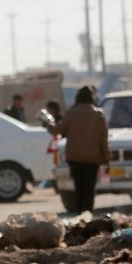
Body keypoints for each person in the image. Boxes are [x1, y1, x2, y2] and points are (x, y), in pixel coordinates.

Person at [47, 85, 109, 214]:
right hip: (93, 159)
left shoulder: (71, 113)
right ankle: (88, 214)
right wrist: (107, 159)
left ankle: (79, 214)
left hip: (74, 158)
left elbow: (58, 130)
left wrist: (47, 123)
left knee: (79, 188)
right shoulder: (98, 115)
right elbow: (103, 140)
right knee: (89, 189)